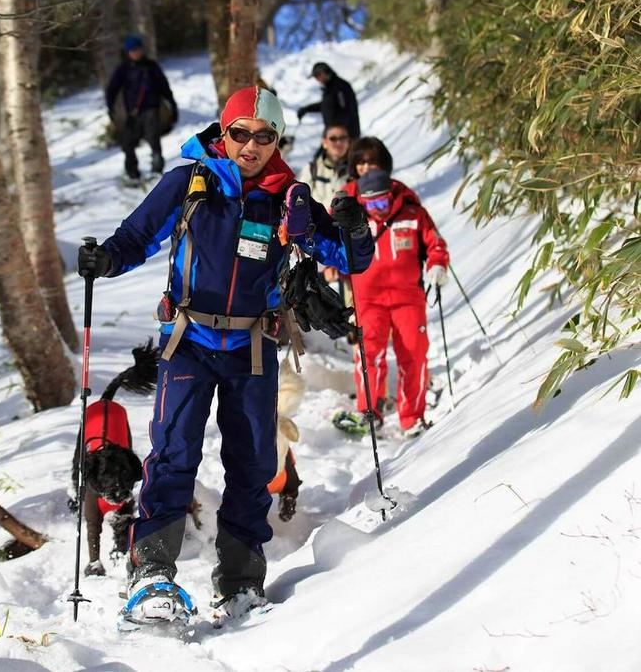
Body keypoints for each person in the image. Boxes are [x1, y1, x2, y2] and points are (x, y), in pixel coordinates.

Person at [78, 86, 373, 621]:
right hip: (188, 342)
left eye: (265, 136)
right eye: (241, 133)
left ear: (276, 141)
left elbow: (349, 258)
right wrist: (104, 260)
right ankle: (151, 577)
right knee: (173, 456)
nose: (252, 145)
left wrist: (355, 229)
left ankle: (240, 583)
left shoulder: (290, 197)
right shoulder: (191, 183)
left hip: (252, 347)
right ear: (224, 131)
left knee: (253, 464)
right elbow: (137, 236)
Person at [336, 137, 449, 436]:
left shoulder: (411, 212)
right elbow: (333, 243)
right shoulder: (351, 210)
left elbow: (435, 243)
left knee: (413, 353)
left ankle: (412, 417)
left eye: (383, 201)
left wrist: (437, 264)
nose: (378, 208)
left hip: (407, 296)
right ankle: (369, 411)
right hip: (368, 296)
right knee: (368, 352)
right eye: (372, 203)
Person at [105, 35, 178, 181]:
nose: (134, 53)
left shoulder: (151, 66)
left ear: (141, 50)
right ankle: (132, 172)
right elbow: (112, 89)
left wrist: (172, 103)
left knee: (153, 139)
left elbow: (164, 86)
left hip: (151, 108)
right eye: (131, 50)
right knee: (128, 142)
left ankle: (157, 170)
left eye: (136, 49)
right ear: (127, 52)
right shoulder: (124, 69)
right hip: (132, 112)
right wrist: (110, 106)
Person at [296, 62, 360, 139]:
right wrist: (306, 109)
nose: (317, 79)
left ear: (325, 73)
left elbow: (346, 111)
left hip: (345, 136)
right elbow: (327, 106)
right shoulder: (329, 88)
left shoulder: (340, 86)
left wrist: (336, 131)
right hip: (334, 135)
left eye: (317, 76)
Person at [298, 123, 351, 207]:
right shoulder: (311, 169)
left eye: (343, 138)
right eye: (333, 139)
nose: (339, 142)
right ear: (324, 142)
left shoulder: (356, 169)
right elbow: (298, 201)